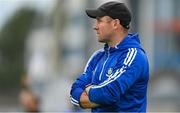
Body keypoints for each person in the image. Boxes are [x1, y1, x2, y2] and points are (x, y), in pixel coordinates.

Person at [70, 1, 149, 112]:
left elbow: (110, 92)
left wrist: (88, 90)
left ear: (115, 23)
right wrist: (101, 96)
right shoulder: (97, 57)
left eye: (99, 21)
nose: (95, 27)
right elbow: (74, 93)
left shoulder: (134, 55)